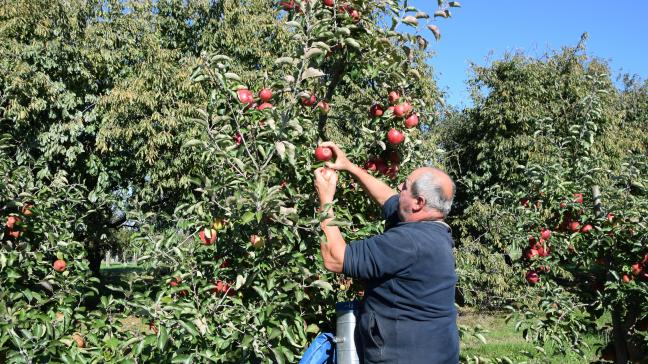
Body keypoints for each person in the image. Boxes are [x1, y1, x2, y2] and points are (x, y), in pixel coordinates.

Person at [313, 141, 459, 364]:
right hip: (437, 354)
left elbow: (335, 259)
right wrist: (349, 166)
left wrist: (325, 200)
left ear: (418, 202)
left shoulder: (407, 242)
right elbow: (388, 198)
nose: (399, 187)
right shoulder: (435, 231)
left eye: (405, 186)